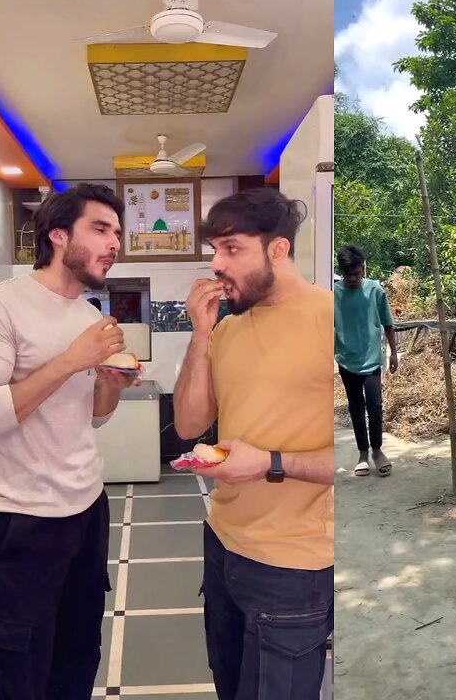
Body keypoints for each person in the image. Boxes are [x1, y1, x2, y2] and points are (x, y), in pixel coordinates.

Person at [0, 183, 141, 700]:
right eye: (100, 229)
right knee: (20, 661)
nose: (115, 243)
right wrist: (72, 359)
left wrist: (109, 387)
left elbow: (92, 417)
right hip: (23, 517)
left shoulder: (92, 318)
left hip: (88, 507)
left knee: (78, 650)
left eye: (117, 232)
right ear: (58, 234)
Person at [172, 187, 335, 700]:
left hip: (293, 563)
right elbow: (187, 423)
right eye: (214, 251)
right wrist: (201, 334)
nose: (217, 264)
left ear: (278, 249)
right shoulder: (229, 329)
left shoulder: (330, 318)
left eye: (232, 249)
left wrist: (269, 462)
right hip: (222, 543)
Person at [333, 245, 398, 477]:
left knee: (375, 405)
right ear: (341, 272)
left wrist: (393, 352)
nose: (352, 279)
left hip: (371, 359)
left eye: (357, 274)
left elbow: (388, 323)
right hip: (346, 359)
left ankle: (378, 451)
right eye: (348, 275)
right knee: (356, 407)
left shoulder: (375, 291)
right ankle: (362, 454)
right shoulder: (334, 294)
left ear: (363, 269)